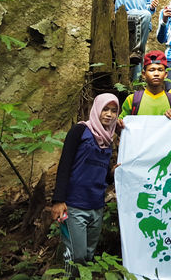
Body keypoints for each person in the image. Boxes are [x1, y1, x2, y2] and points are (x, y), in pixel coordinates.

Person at [51, 93, 120, 275]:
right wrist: (58, 200)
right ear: (97, 109)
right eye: (105, 109)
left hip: (96, 206)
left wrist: (114, 173)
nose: (109, 114)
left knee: (89, 255)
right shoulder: (80, 131)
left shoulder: (108, 140)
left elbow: (103, 176)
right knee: (76, 255)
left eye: (114, 111)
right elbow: (65, 164)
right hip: (74, 205)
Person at [118, 51, 171, 121]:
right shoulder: (133, 99)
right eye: (151, 70)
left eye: (160, 70)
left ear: (166, 74)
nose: (156, 74)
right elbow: (121, 125)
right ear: (143, 74)